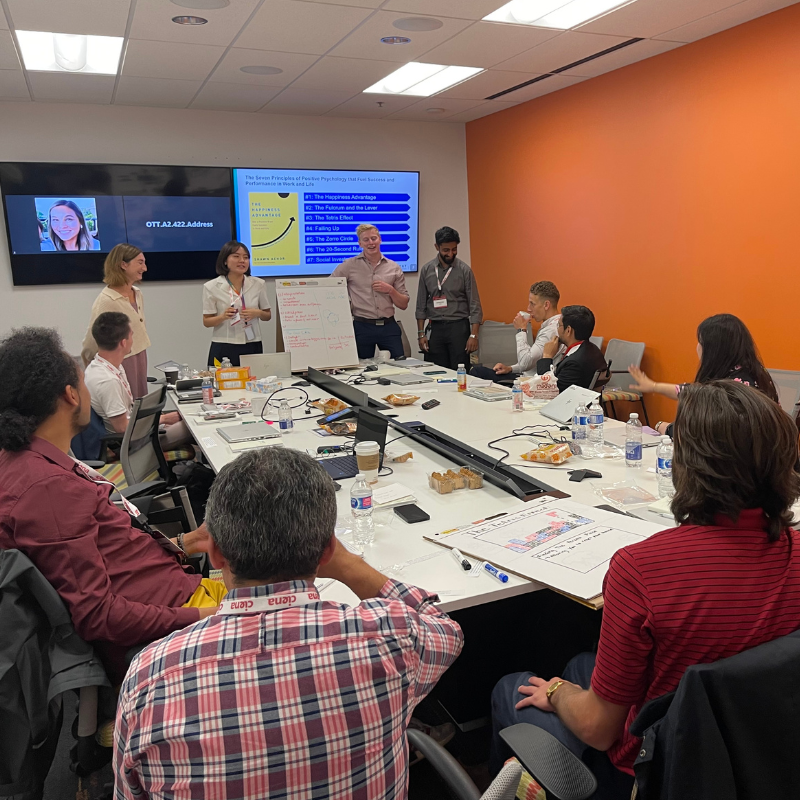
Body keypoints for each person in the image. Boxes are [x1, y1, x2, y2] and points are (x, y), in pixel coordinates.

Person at [490, 380, 800, 794]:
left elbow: (600, 730)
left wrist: (560, 693)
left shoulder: (641, 569)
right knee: (585, 662)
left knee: (513, 687)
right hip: (767, 752)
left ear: (686, 464)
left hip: (660, 769)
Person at [114, 447, 464, 800]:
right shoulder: (391, 637)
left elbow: (129, 793)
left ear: (216, 553)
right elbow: (446, 629)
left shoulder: (150, 677)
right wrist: (348, 565)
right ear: (326, 552)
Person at [0, 328, 225, 681]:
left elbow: (106, 552)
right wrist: (206, 616)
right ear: (71, 395)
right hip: (174, 620)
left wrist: (184, 543)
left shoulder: (33, 462)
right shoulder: (47, 490)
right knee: (308, 603)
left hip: (170, 589)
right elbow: (97, 615)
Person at [628, 313, 778, 435]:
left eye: (700, 342)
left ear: (714, 350)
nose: (697, 347)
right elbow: (694, 392)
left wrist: (667, 428)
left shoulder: (732, 389)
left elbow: (706, 435)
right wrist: (654, 386)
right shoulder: (751, 371)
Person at [85, 312, 194, 449]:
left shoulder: (102, 366)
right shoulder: (107, 381)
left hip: (139, 429)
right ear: (123, 343)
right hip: (132, 443)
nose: (133, 339)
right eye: (132, 335)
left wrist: (158, 419)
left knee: (188, 419)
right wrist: (163, 419)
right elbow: (122, 428)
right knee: (193, 424)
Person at [81, 244, 150, 399]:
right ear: (123, 264)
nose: (144, 268)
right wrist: (91, 369)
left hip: (139, 356)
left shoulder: (137, 294)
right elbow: (92, 340)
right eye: (140, 262)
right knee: (127, 407)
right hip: (121, 361)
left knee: (140, 401)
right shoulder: (107, 300)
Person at [331, 223, 410, 360]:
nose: (371, 243)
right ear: (360, 243)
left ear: (380, 239)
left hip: (388, 326)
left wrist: (390, 290)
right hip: (362, 326)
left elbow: (403, 304)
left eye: (373, 238)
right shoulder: (349, 265)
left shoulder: (394, 267)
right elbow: (329, 286)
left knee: (400, 364)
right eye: (366, 240)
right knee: (359, 369)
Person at [416, 226, 482, 370]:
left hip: (458, 328)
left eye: (454, 249)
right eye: (446, 250)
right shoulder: (427, 270)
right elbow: (420, 305)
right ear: (437, 247)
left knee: (460, 371)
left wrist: (474, 335)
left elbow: (475, 305)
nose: (450, 253)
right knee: (435, 371)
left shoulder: (464, 271)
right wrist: (421, 334)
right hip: (435, 328)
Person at [471, 280, 564, 382]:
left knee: (476, 372)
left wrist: (521, 330)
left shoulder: (550, 331)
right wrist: (510, 368)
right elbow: (533, 361)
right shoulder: (553, 325)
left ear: (546, 305)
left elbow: (525, 363)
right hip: (528, 376)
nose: (528, 308)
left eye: (532, 304)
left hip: (532, 382)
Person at [202, 240, 271, 367]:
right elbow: (206, 321)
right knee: (222, 384)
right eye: (236, 256)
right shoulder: (211, 286)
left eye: (246, 257)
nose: (242, 260)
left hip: (252, 342)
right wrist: (223, 316)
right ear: (225, 261)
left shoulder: (258, 284)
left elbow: (267, 315)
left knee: (253, 381)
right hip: (224, 343)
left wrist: (258, 313)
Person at [536, 305, 606, 393]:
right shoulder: (594, 350)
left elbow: (548, 391)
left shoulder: (574, 363)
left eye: (559, 325)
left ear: (568, 330)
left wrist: (546, 357)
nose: (557, 329)